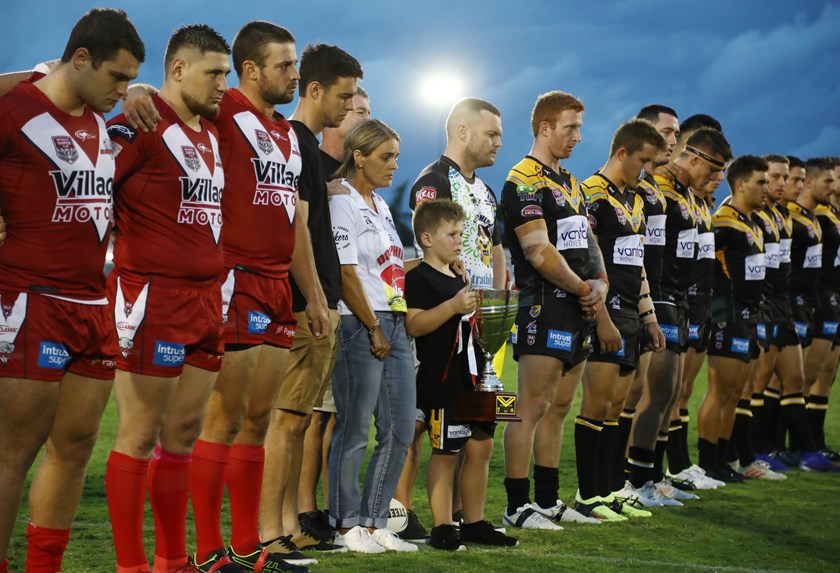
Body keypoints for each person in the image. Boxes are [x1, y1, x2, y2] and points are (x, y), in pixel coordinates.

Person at [0, 9, 143, 573]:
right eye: (117, 77)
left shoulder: (104, 119)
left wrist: (138, 91)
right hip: (30, 299)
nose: (123, 91)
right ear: (81, 59)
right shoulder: (15, 110)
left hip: (92, 303)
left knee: (76, 445)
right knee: (14, 453)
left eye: (131, 80)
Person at [103, 24, 231, 573]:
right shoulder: (141, 123)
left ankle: (172, 561)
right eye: (214, 73)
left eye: (227, 73)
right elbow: (92, 181)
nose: (223, 84)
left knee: (181, 438)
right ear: (177, 69)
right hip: (152, 296)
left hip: (207, 301)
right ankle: (132, 565)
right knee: (138, 436)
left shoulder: (211, 128)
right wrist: (136, 93)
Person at [258, 42, 365, 558]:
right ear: (315, 89)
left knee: (297, 420)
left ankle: (285, 525)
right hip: (303, 302)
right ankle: (271, 533)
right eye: (344, 96)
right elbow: (295, 224)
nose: (349, 107)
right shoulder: (294, 141)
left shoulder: (306, 145)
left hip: (315, 299)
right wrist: (317, 298)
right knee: (285, 420)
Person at [500, 91, 608, 530]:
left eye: (580, 127)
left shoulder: (570, 181)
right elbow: (537, 249)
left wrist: (600, 283)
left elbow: (590, 243)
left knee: (560, 406)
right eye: (570, 127)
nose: (578, 137)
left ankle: (547, 499)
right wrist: (585, 287)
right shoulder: (523, 180)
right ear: (544, 127)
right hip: (544, 306)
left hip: (577, 306)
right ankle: (517, 506)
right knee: (531, 405)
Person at [399, 96, 506, 538]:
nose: (499, 142)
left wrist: (499, 301)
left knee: (475, 421)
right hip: (445, 314)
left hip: (480, 323)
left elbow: (496, 247)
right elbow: (431, 245)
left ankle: (464, 516)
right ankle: (401, 511)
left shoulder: (485, 189)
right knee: (422, 422)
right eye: (492, 133)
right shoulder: (434, 179)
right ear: (463, 132)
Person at [405, 199, 519, 550]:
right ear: (426, 238)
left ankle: (474, 521)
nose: (459, 241)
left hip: (475, 377)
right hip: (442, 381)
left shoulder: (460, 274)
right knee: (446, 451)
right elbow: (414, 324)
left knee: (481, 446)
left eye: (461, 233)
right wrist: (453, 306)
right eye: (452, 234)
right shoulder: (419, 278)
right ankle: (443, 525)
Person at [326, 120, 417, 553]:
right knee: (356, 429)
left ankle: (376, 521)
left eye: (396, 156)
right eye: (386, 156)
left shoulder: (379, 204)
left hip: (394, 321)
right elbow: (346, 273)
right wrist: (373, 326)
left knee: (400, 428)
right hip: (361, 323)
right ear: (359, 156)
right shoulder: (340, 200)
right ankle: (346, 526)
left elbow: (386, 267)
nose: (394, 165)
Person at [625, 127, 732, 495]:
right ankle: (638, 479)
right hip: (659, 297)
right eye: (715, 171)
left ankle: (653, 477)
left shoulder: (688, 195)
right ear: (696, 158)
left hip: (683, 302)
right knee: (659, 392)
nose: (718, 180)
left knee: (670, 394)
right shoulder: (657, 187)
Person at [576, 119, 667, 520]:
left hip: (632, 311)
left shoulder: (635, 200)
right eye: (642, 160)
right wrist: (599, 316)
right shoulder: (591, 195)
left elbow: (638, 263)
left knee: (616, 407)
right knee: (596, 404)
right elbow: (583, 260)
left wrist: (648, 315)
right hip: (606, 311)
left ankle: (611, 489)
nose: (646, 169)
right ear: (622, 153)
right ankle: (588, 495)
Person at [297, 85, 372, 544]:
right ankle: (303, 509)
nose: (360, 117)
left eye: (365, 111)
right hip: (317, 301)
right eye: (355, 109)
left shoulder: (353, 182)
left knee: (332, 418)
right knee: (307, 416)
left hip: (338, 305)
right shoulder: (314, 165)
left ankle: (322, 507)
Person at [695, 156, 775, 483]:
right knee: (720, 391)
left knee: (735, 393)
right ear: (740, 184)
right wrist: (717, 314)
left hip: (749, 316)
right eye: (761, 182)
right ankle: (707, 463)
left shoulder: (752, 222)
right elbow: (705, 267)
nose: (767, 189)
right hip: (728, 316)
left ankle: (724, 460)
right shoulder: (724, 222)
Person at [803, 157, 840, 460]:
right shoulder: (820, 216)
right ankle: (801, 444)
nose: (833, 185)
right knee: (808, 372)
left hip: (834, 298)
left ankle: (815, 441)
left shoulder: (833, 216)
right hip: (819, 298)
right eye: (830, 179)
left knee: (828, 372)